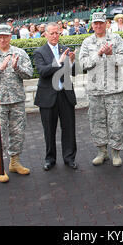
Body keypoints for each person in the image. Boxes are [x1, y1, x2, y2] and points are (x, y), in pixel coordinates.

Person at [0, 24, 34, 183]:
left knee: (18, 133)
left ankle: (14, 162)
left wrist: (17, 67)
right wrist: (0, 68)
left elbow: (29, 73)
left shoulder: (19, 53)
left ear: (10, 36)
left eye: (5, 36)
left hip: (17, 100)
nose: (2, 39)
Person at [79, 12, 123, 167]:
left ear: (106, 23)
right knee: (97, 122)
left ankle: (116, 153)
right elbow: (83, 63)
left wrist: (111, 54)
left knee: (115, 122)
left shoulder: (116, 39)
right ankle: (102, 152)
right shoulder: (87, 42)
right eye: (96, 23)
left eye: (101, 23)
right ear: (92, 25)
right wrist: (98, 54)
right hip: (95, 90)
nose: (98, 26)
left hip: (114, 90)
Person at [34, 22, 78, 170]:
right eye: (51, 33)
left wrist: (72, 62)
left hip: (65, 94)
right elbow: (42, 72)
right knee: (49, 130)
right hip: (47, 96)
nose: (54, 36)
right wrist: (58, 62)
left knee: (69, 128)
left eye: (57, 33)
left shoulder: (65, 49)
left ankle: (69, 158)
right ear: (45, 34)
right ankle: (50, 159)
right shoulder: (39, 52)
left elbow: (73, 73)